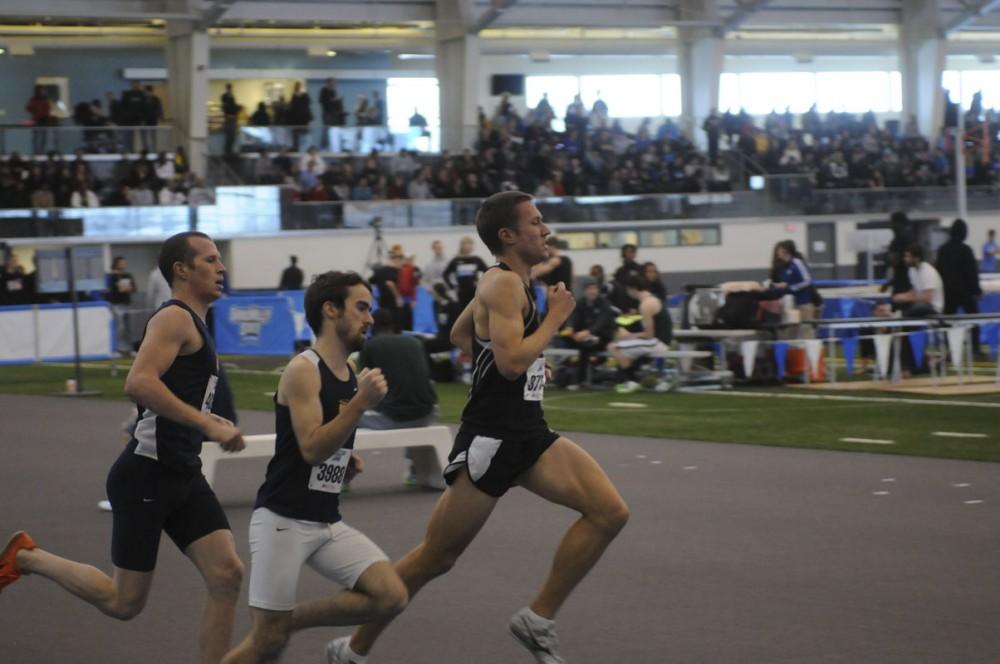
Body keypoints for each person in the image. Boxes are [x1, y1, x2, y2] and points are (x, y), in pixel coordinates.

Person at [326, 191, 629, 664]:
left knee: (609, 512)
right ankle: (352, 648)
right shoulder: (504, 284)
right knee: (435, 557)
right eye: (536, 222)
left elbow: (463, 337)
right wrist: (552, 322)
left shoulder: (506, 283)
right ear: (508, 236)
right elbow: (508, 361)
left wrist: (533, 360)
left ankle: (537, 619)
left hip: (529, 432)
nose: (546, 229)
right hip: (492, 439)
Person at [1, 231, 246, 663]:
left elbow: (178, 394)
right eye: (211, 260)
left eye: (220, 259)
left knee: (226, 575)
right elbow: (139, 383)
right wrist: (206, 422)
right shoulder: (175, 318)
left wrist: (209, 420)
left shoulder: (198, 322)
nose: (222, 267)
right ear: (182, 270)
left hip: (183, 472)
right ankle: (27, 557)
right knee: (123, 603)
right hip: (147, 475)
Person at [222, 271, 407, 664]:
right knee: (266, 645)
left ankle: (287, 621)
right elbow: (310, 448)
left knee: (390, 595)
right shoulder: (304, 369)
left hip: (325, 522)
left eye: (370, 309)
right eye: (361, 308)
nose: (370, 318)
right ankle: (276, 626)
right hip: (283, 520)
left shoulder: (350, 372)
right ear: (330, 310)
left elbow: (327, 440)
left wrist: (346, 457)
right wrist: (360, 405)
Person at [356, 308, 439, 483]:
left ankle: (342, 477)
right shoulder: (414, 342)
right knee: (411, 409)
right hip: (428, 412)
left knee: (344, 417)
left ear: (372, 326)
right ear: (393, 325)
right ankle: (416, 469)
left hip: (394, 417)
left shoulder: (369, 346)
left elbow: (365, 387)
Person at [606, 274, 673, 393]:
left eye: (628, 290)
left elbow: (649, 335)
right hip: (660, 341)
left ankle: (633, 381)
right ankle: (631, 379)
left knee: (613, 347)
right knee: (622, 349)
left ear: (633, 289)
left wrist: (627, 336)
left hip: (658, 343)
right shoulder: (652, 299)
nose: (627, 293)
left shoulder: (645, 305)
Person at [936, 218, 982, 353]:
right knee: (974, 319)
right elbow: (971, 272)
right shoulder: (966, 250)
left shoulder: (942, 250)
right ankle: (975, 348)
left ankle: (948, 348)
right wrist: (977, 291)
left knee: (946, 321)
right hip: (965, 292)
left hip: (948, 292)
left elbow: (938, 271)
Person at [563, 277, 616, 389]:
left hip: (603, 337)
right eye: (589, 289)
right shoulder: (581, 303)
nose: (592, 291)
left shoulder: (604, 303)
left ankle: (581, 380)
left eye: (594, 288)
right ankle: (575, 377)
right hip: (585, 338)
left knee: (585, 346)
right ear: (585, 291)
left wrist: (587, 333)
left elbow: (602, 323)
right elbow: (574, 318)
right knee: (570, 340)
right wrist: (571, 329)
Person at [772, 240, 818, 339]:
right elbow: (789, 283)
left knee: (806, 332)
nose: (777, 253)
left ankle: (811, 354)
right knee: (791, 333)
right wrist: (782, 285)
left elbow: (807, 280)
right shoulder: (786, 266)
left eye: (779, 250)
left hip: (803, 303)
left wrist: (791, 287)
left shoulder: (796, 263)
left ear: (785, 251)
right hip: (792, 305)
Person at [893, 244, 943, 316]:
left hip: (933, 307)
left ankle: (902, 319)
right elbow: (914, 291)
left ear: (917, 258)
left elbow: (927, 298)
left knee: (914, 309)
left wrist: (906, 299)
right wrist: (901, 296)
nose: (905, 259)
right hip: (921, 305)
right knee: (901, 304)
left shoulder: (928, 272)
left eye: (908, 256)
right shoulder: (912, 270)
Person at [442, 236, 488, 311]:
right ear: (462, 245)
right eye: (466, 244)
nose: (468, 246)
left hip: (475, 291)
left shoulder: (476, 259)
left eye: (470, 244)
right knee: (462, 312)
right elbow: (445, 274)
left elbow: (488, 272)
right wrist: (452, 287)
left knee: (475, 312)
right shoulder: (456, 260)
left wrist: (481, 283)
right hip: (461, 292)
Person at [107, 256, 137, 354]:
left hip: (127, 303)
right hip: (116, 304)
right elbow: (108, 290)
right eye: (121, 263)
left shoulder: (127, 275)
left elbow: (134, 288)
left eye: (124, 263)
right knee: (119, 327)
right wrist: (117, 287)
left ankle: (130, 348)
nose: (123, 264)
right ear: (116, 263)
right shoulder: (111, 276)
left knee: (129, 327)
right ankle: (118, 348)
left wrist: (129, 288)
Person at [221, 83, 241, 158]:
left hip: (232, 118)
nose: (230, 90)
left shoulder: (231, 96)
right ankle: (227, 152)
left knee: (232, 137)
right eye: (229, 88)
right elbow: (226, 107)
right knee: (229, 136)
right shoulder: (225, 97)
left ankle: (229, 151)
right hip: (230, 118)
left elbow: (232, 106)